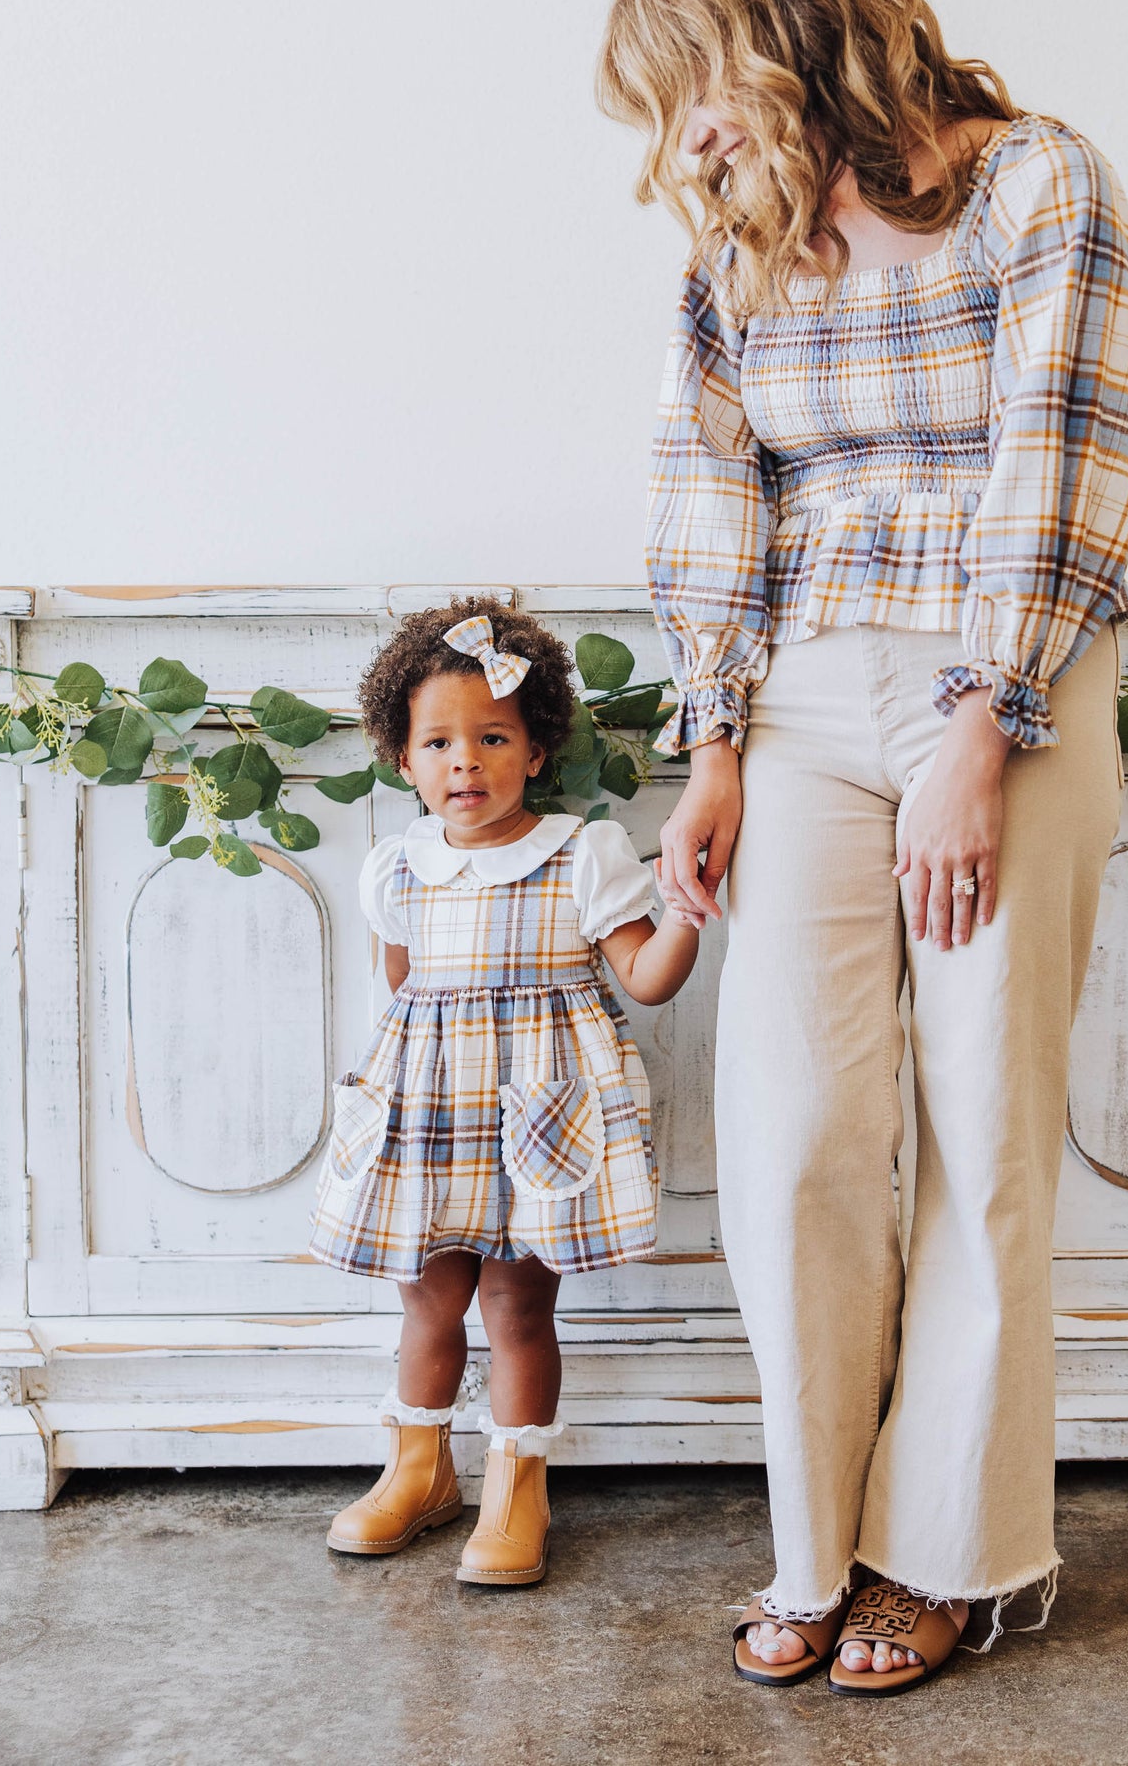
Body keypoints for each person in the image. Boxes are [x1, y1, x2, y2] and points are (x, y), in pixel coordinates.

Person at [597, 0, 1128, 1693]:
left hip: (1009, 692)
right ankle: (815, 1545)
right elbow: (711, 493)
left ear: (776, 21)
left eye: (692, 74)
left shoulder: (1035, 178)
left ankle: (952, 1555)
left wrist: (985, 724)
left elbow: (1059, 458)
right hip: (803, 698)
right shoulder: (740, 242)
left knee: (983, 1137)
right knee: (799, 1141)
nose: (687, 126)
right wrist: (717, 739)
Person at [308, 597, 698, 1582]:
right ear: (404, 760)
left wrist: (691, 910)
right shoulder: (397, 866)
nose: (464, 762)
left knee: (518, 1309)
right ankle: (419, 1469)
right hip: (430, 1112)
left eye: (491, 737)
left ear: (535, 751)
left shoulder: (579, 853)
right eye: (437, 741)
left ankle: (516, 1489)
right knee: (429, 1301)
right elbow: (397, 988)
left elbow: (643, 977)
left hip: (537, 1113)